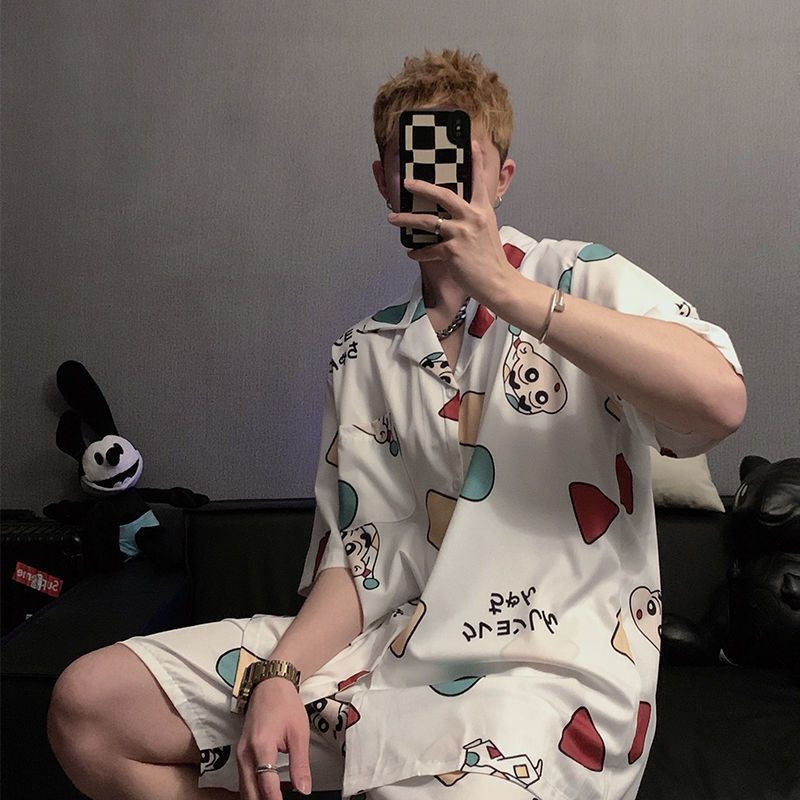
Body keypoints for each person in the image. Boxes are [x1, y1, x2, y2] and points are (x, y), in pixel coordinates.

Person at [47, 50, 746, 800]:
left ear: (502, 179)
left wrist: (509, 291)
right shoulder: (365, 351)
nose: (434, 182)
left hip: (543, 682)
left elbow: (719, 402)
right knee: (90, 708)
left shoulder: (582, 278)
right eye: (412, 161)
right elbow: (361, 561)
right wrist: (279, 674)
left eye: (459, 161)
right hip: (383, 655)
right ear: (384, 180)